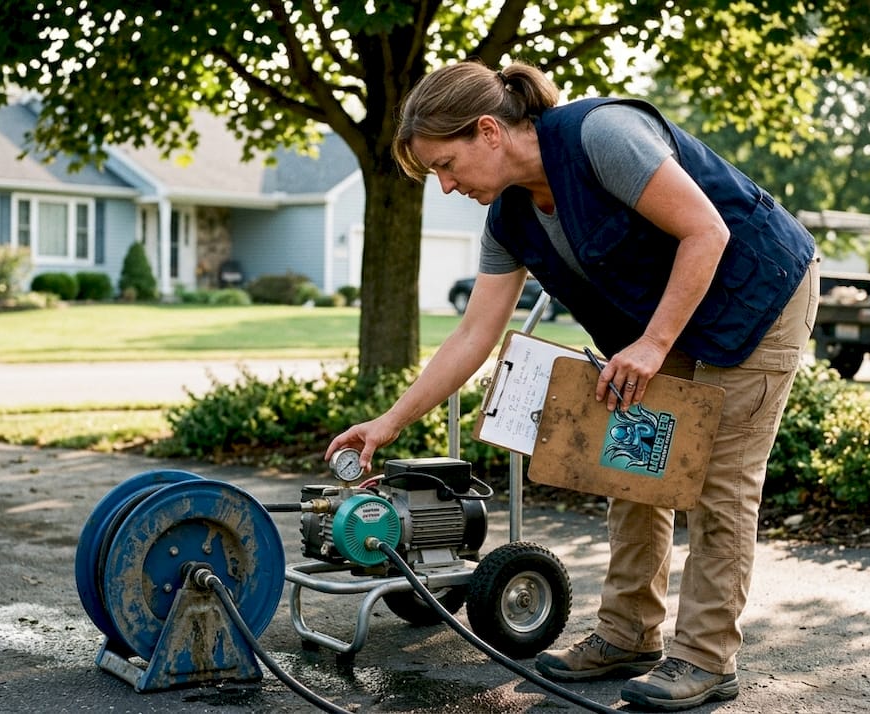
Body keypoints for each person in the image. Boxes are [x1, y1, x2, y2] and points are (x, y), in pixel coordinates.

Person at [325, 59, 819, 712]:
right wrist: (389, 422)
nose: (445, 185)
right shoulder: (508, 219)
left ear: (488, 132)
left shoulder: (600, 136)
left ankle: (705, 659)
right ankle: (627, 636)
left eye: (446, 164)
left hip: (756, 295)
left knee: (719, 481)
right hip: (666, 317)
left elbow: (708, 230)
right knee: (636, 467)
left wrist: (651, 345)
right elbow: (474, 336)